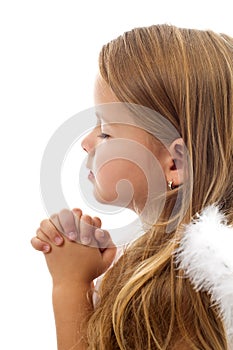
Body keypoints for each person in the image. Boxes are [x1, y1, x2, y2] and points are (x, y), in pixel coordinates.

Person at [31, 24, 233, 349]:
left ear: (175, 163)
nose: (86, 142)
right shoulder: (156, 269)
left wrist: (70, 286)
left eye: (106, 132)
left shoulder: (181, 291)